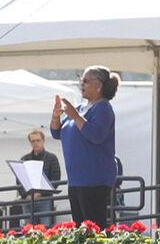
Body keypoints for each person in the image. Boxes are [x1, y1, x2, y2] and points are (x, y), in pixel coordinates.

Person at [51, 66, 120, 228]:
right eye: (81, 80)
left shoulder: (103, 108)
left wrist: (75, 116)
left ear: (99, 85)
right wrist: (55, 117)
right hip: (77, 179)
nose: (81, 84)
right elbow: (57, 133)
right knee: (80, 228)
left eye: (86, 81)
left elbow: (96, 135)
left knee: (94, 228)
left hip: (94, 179)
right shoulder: (81, 108)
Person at [17, 129, 61, 226]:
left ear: (43, 141)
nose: (36, 143)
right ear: (30, 143)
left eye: (38, 140)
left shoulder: (51, 158)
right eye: (33, 141)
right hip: (28, 199)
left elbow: (56, 179)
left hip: (44, 199)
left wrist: (40, 193)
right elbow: (19, 180)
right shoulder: (24, 159)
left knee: (46, 229)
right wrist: (26, 195)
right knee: (28, 230)